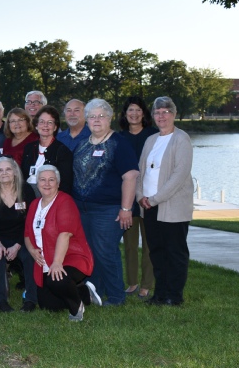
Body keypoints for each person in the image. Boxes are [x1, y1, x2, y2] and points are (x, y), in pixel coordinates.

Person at [72, 98, 139, 307]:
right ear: (86, 120)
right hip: (83, 209)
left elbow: (130, 176)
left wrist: (126, 209)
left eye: (101, 116)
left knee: (106, 250)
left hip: (108, 210)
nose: (96, 120)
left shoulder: (119, 143)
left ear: (109, 118)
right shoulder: (83, 144)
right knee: (91, 251)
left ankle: (117, 296)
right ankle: (96, 291)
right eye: (92, 116)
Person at [137, 97, 194, 307]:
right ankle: (160, 295)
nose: (161, 116)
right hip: (149, 206)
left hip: (172, 207)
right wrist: (140, 196)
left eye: (165, 112)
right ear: (153, 116)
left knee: (175, 253)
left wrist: (155, 199)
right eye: (157, 112)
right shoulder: (151, 140)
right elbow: (141, 171)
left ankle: (174, 296)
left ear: (174, 114)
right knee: (157, 252)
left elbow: (179, 175)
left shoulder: (182, 139)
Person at [24, 165, 100, 321]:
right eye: (43, 180)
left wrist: (57, 263)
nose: (47, 184)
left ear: (58, 183)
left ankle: (76, 310)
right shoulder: (34, 205)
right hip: (45, 261)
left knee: (56, 279)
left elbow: (65, 234)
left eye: (51, 180)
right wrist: (31, 250)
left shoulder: (65, 201)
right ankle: (85, 292)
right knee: (48, 305)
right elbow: (26, 234)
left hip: (71, 257)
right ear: (37, 183)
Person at [0, 156, 37, 312]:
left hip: (22, 236)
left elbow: (30, 221)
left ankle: (31, 299)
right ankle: (1, 301)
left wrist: (18, 245)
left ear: (14, 171)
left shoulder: (26, 190)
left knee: (28, 256)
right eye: (0, 170)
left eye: (8, 169)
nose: (4, 173)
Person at [119, 96, 159, 298]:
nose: (134, 114)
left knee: (150, 244)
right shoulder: (119, 137)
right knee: (130, 245)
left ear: (144, 113)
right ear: (125, 115)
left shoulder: (154, 136)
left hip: (148, 196)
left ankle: (146, 284)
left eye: (138, 110)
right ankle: (132, 282)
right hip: (127, 198)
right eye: (130, 111)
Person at [21, 106, 74, 195]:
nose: (45, 125)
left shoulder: (63, 152)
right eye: (42, 122)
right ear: (36, 126)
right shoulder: (29, 148)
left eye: (50, 122)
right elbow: (23, 176)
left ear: (55, 127)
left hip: (49, 197)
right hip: (26, 194)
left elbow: (65, 185)